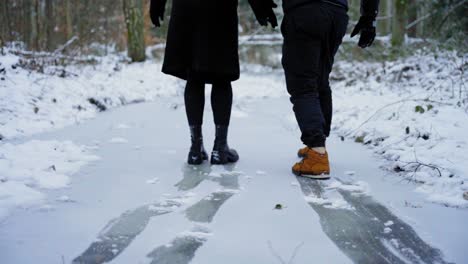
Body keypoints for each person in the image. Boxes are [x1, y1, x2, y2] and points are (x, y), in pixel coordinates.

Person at [150, 0, 277, 165]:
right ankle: (220, 148)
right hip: (219, 9)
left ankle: (195, 148)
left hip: (186, 8)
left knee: (193, 75)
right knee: (221, 75)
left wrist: (157, 2)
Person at [280, 0, 380, 179]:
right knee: (319, 80)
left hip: (305, 12)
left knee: (303, 84)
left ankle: (317, 154)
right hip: (336, 14)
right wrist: (369, 17)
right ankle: (318, 146)